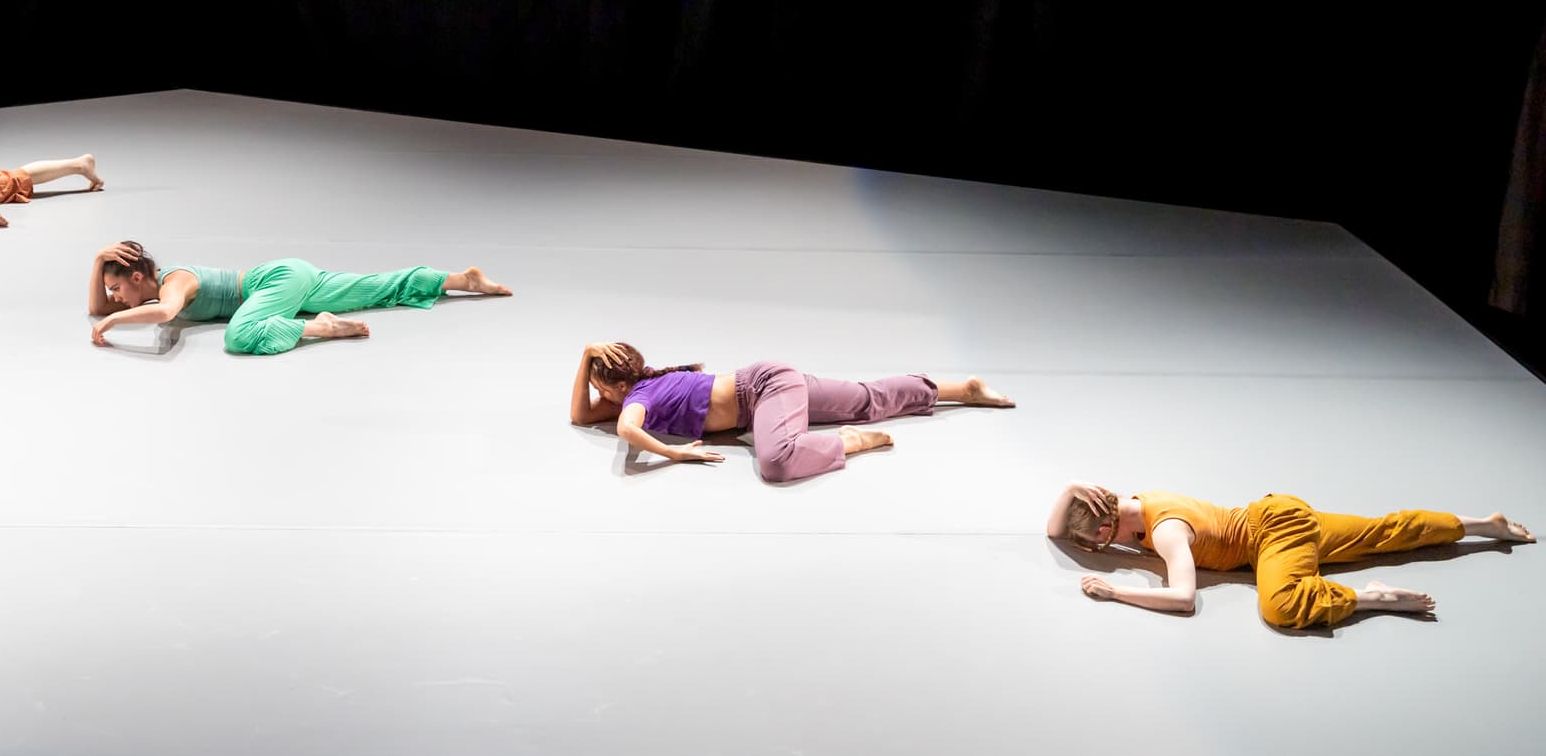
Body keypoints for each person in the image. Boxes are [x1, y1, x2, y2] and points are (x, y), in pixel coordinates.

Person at [1045, 480, 1535, 627]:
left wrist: (1116, 590)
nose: (1096, 549)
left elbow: (1184, 598)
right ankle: (1480, 525)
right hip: (1277, 513)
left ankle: (1372, 598)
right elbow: (1055, 532)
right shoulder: (1131, 501)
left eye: (1099, 542)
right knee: (1382, 531)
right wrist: (1070, 489)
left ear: (1108, 526)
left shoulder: (1170, 532)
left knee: (1278, 606)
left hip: (1272, 539)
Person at [569, 341, 1014, 483]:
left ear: (618, 386)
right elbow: (581, 417)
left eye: (597, 386)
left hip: (764, 390)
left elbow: (626, 428)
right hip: (769, 382)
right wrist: (588, 351)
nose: (595, 396)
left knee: (777, 462)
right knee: (865, 399)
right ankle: (961, 388)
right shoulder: (647, 384)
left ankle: (847, 442)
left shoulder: (637, 399)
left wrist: (676, 455)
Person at [88, 240, 512, 354]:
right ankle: (458, 280)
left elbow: (163, 312)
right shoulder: (148, 291)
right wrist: (96, 261)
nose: (115, 299)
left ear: (140, 276)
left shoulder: (173, 282)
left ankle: (318, 326)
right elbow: (95, 308)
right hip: (288, 278)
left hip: (272, 282)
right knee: (371, 289)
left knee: (238, 337)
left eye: (118, 288)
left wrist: (111, 324)